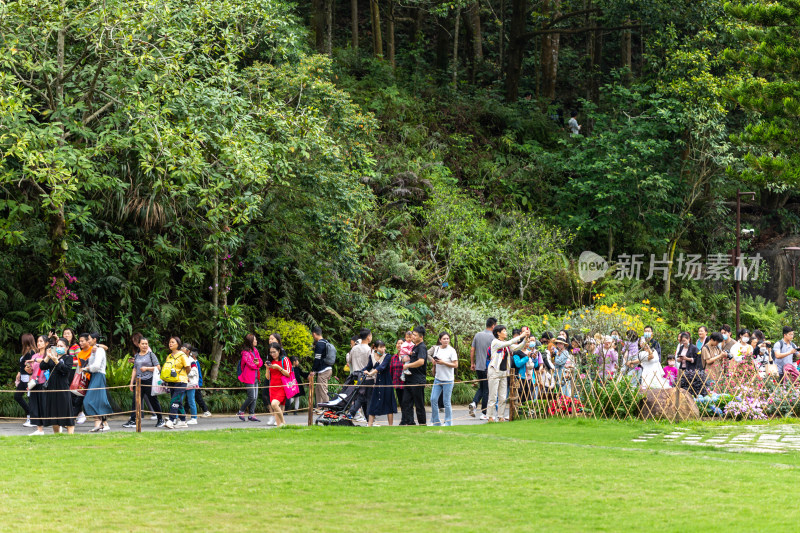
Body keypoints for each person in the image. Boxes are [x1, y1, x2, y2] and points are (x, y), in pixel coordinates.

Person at [487, 325, 529, 422]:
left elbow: (517, 347)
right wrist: (521, 335)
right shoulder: (495, 342)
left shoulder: (505, 343)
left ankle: (501, 416)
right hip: (494, 371)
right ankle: (490, 417)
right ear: (498, 333)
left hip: (504, 372)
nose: (506, 332)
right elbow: (511, 342)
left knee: (502, 396)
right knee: (493, 396)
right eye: (504, 331)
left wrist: (525, 340)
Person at [122, 337, 164, 428]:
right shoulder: (137, 355)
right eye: (143, 344)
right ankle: (133, 420)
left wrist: (147, 368)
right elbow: (134, 369)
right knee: (136, 401)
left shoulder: (151, 355)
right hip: (138, 381)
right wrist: (131, 382)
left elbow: (158, 367)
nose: (144, 345)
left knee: (153, 400)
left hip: (149, 380)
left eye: (146, 344)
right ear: (139, 345)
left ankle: (160, 419)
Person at [40, 337, 76, 434]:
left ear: (67, 348)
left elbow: (65, 370)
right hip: (52, 388)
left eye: (61, 346)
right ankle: (57, 435)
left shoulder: (68, 358)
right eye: (58, 346)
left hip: (63, 387)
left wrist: (56, 361)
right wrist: (48, 356)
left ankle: (70, 435)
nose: (58, 347)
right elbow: (42, 366)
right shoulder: (52, 357)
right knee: (54, 413)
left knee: (66, 411)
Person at [83, 332, 113, 432]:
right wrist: (92, 353)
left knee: (89, 400)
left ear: (95, 340)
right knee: (98, 400)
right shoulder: (95, 350)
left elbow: (96, 366)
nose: (88, 341)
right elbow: (92, 363)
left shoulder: (100, 350)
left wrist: (87, 368)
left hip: (99, 375)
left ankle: (102, 423)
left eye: (89, 339)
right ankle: (102, 423)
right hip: (94, 376)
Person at [428, 332, 459, 427]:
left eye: (447, 339)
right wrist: (434, 363)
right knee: (433, 399)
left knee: (446, 402)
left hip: (448, 380)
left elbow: (455, 365)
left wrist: (443, 362)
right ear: (440, 340)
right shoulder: (437, 349)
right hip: (438, 378)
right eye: (444, 339)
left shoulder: (452, 350)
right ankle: (436, 422)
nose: (446, 340)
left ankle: (448, 422)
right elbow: (433, 360)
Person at [469, 317, 497, 420]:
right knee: (487, 390)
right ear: (493, 326)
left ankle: (474, 403)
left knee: (482, 387)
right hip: (488, 367)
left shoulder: (478, 335)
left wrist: (472, 363)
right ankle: (484, 412)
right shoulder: (493, 338)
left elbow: (472, 350)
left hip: (478, 366)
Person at [363, 341, 397, 426]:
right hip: (377, 382)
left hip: (387, 382)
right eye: (381, 347)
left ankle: (390, 426)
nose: (383, 349)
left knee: (388, 402)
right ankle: (369, 425)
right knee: (373, 401)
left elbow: (382, 366)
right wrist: (362, 371)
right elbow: (368, 366)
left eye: (384, 347)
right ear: (375, 348)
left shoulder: (387, 356)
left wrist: (371, 373)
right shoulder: (371, 356)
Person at [400, 326, 428, 426]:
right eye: (413, 334)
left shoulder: (422, 347)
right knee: (406, 402)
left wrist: (408, 365)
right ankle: (410, 423)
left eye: (415, 335)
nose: (413, 336)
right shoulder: (414, 346)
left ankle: (422, 423)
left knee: (419, 404)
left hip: (417, 380)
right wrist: (405, 360)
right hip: (409, 379)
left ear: (421, 337)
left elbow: (421, 361)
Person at [162, 336, 192, 429]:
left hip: (181, 381)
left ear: (178, 344)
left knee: (174, 400)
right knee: (178, 401)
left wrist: (184, 375)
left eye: (172, 342)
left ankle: (171, 420)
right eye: (170, 342)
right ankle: (183, 421)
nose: (170, 344)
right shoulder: (169, 356)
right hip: (171, 381)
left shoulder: (182, 355)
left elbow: (188, 367)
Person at [237, 333, 263, 422]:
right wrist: (257, 365)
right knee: (251, 396)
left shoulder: (255, 350)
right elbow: (251, 364)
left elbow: (260, 361)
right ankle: (241, 411)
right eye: (254, 340)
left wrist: (258, 364)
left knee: (255, 397)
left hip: (256, 376)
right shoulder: (245, 353)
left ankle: (251, 415)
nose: (256, 341)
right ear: (250, 342)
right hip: (248, 377)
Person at [266, 342, 293, 427]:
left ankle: (283, 422)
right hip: (272, 387)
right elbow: (267, 377)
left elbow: (288, 374)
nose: (272, 354)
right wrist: (267, 368)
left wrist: (278, 368)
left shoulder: (285, 359)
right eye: (271, 352)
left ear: (279, 351)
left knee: (274, 404)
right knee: (276, 408)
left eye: (274, 352)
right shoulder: (271, 361)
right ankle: (280, 427)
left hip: (282, 387)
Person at [14, 333, 36, 428]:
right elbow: (23, 365)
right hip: (23, 378)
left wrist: (31, 376)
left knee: (29, 398)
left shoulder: (32, 352)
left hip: (28, 378)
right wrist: (19, 373)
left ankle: (31, 418)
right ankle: (30, 415)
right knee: (17, 396)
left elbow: (32, 366)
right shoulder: (25, 351)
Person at [310, 326, 334, 412]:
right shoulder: (326, 342)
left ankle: (328, 409)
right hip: (327, 368)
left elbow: (317, 359)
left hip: (323, 370)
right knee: (318, 388)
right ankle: (319, 407)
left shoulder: (319, 344)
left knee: (323, 389)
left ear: (314, 334)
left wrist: (313, 370)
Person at [72, 333, 93, 425]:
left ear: (88, 341)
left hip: (93, 378)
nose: (80, 343)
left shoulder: (93, 350)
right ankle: (71, 420)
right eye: (79, 341)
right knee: (78, 400)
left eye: (82, 341)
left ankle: (103, 421)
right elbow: (80, 367)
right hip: (84, 380)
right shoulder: (80, 353)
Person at [183, 344, 200, 425]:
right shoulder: (180, 358)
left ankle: (194, 418)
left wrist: (185, 374)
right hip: (182, 383)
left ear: (188, 351)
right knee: (178, 400)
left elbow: (194, 372)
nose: (182, 349)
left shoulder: (191, 360)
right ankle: (177, 417)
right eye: (181, 347)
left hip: (190, 384)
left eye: (184, 348)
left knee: (191, 401)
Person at [389, 339, 405, 410]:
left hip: (405, 384)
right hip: (397, 384)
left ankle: (407, 419)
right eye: (398, 343)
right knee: (401, 402)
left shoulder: (407, 357)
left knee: (406, 403)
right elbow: (391, 371)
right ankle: (404, 419)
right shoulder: (393, 358)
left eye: (401, 343)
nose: (399, 345)